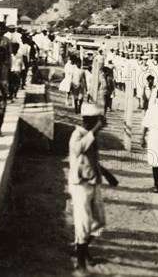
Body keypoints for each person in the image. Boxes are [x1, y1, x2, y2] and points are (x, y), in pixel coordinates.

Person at [68, 111, 106, 271]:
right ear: (89, 121)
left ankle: (81, 248)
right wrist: (96, 129)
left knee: (99, 221)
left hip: (93, 181)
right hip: (80, 185)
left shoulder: (90, 135)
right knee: (83, 222)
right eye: (98, 121)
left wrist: (107, 175)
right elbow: (78, 149)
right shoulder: (77, 135)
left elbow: (93, 159)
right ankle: (81, 263)